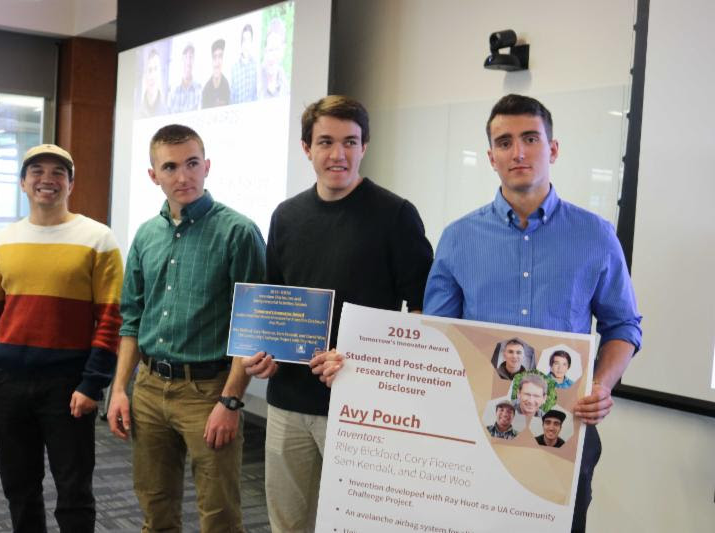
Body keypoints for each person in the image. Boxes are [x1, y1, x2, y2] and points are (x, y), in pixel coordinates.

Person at [423, 93, 641, 531]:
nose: (518, 152)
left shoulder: (596, 236)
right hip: (478, 429)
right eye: (504, 143)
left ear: (553, 149)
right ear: (491, 157)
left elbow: (623, 325)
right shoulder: (458, 238)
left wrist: (601, 384)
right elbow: (438, 335)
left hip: (565, 428)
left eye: (530, 139)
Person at [242, 95, 433, 533]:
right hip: (287, 403)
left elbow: (424, 312)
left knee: (356, 525)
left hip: (360, 407)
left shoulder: (396, 216)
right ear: (306, 148)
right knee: (287, 524)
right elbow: (274, 302)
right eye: (325, 142)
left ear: (364, 146)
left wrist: (368, 361)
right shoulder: (286, 216)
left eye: (350, 142)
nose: (338, 154)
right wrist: (263, 352)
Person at [107, 124, 265, 533]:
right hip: (148, 389)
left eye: (192, 164)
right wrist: (120, 389)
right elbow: (132, 319)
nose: (183, 176)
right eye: (170, 167)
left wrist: (231, 402)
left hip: (208, 392)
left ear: (207, 166)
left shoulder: (238, 232)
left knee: (219, 516)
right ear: (153, 175)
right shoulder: (146, 235)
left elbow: (251, 326)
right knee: (155, 510)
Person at [0, 144, 123, 532]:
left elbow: (110, 319)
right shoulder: (1, 241)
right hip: (9, 383)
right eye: (37, 171)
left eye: (58, 172)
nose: (47, 179)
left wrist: (93, 383)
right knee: (19, 488)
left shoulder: (98, 239)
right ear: (23, 182)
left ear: (71, 184)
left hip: (69, 386)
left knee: (74, 491)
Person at [259, 17, 289, 99]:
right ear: (265, 50)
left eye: (276, 49)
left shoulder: (284, 82)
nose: (272, 55)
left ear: (283, 50)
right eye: (270, 49)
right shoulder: (256, 79)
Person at [168, 42, 202, 113]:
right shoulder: (173, 91)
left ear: (194, 60)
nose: (188, 61)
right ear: (182, 59)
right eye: (186, 57)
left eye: (191, 57)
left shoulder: (199, 90)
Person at [230, 24, 258, 104]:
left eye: (249, 40)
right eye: (244, 40)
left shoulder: (255, 66)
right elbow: (232, 97)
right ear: (241, 43)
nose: (246, 44)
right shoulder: (234, 68)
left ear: (252, 42)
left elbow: (256, 95)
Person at [201, 39, 230, 108]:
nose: (217, 61)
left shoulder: (226, 85)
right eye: (214, 57)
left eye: (220, 56)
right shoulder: (206, 89)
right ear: (211, 61)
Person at [139, 48, 167, 118]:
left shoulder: (167, 111)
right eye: (149, 70)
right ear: (145, 75)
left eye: (155, 69)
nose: (152, 76)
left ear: (160, 73)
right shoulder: (137, 111)